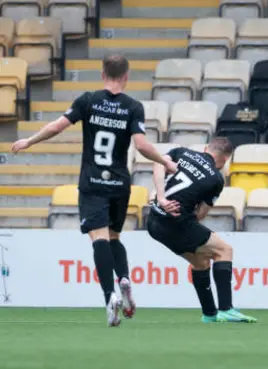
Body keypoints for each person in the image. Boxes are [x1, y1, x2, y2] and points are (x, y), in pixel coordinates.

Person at [11, 54, 177, 327]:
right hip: (119, 184)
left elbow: (57, 126)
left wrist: (29, 140)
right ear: (126, 76)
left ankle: (110, 296)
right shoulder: (133, 107)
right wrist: (165, 161)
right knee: (114, 237)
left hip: (93, 184)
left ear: (102, 74)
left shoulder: (87, 100)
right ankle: (123, 277)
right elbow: (142, 145)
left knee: (99, 239)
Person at [147, 137, 257, 323]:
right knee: (224, 251)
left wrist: (161, 198)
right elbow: (201, 214)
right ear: (225, 159)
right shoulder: (216, 178)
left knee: (201, 262)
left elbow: (158, 164)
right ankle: (226, 308)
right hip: (177, 224)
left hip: (154, 222)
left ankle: (209, 314)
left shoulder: (181, 152)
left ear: (207, 148)